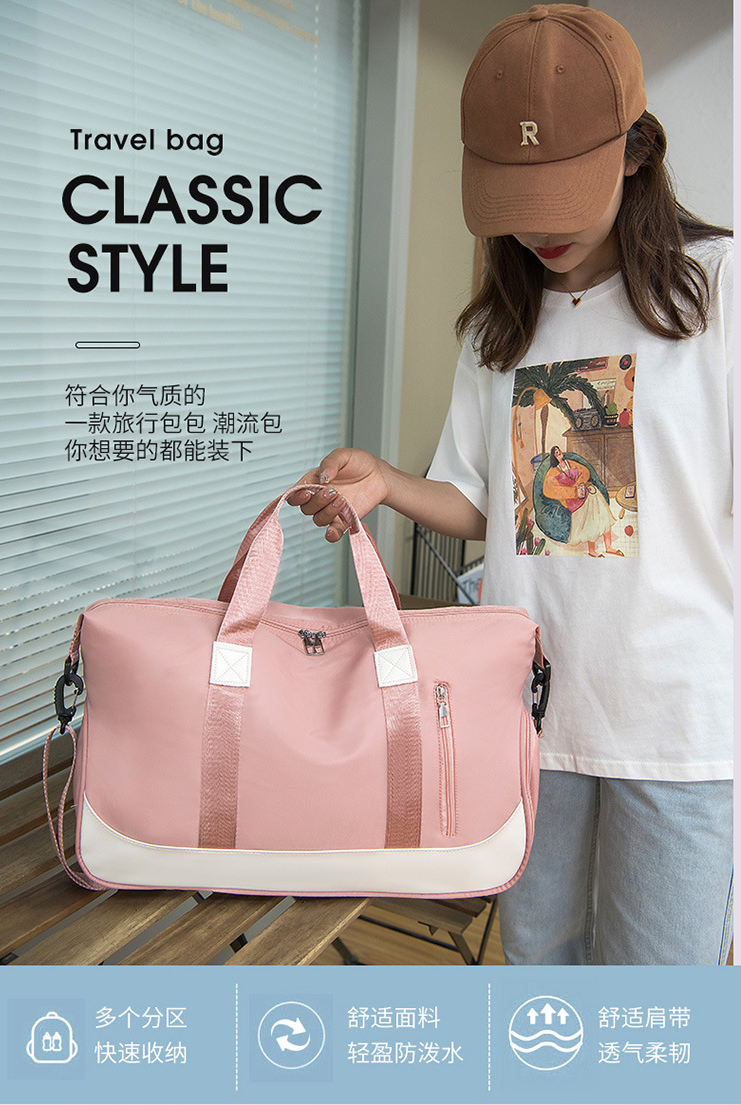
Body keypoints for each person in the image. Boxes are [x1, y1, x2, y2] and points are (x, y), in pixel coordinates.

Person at [288, 4, 733, 966]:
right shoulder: (501, 330)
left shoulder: (719, 292)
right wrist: (389, 482)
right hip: (528, 716)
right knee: (540, 974)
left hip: (679, 725)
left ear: (635, 152)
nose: (537, 228)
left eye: (561, 193)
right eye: (513, 200)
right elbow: (489, 505)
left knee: (661, 993)